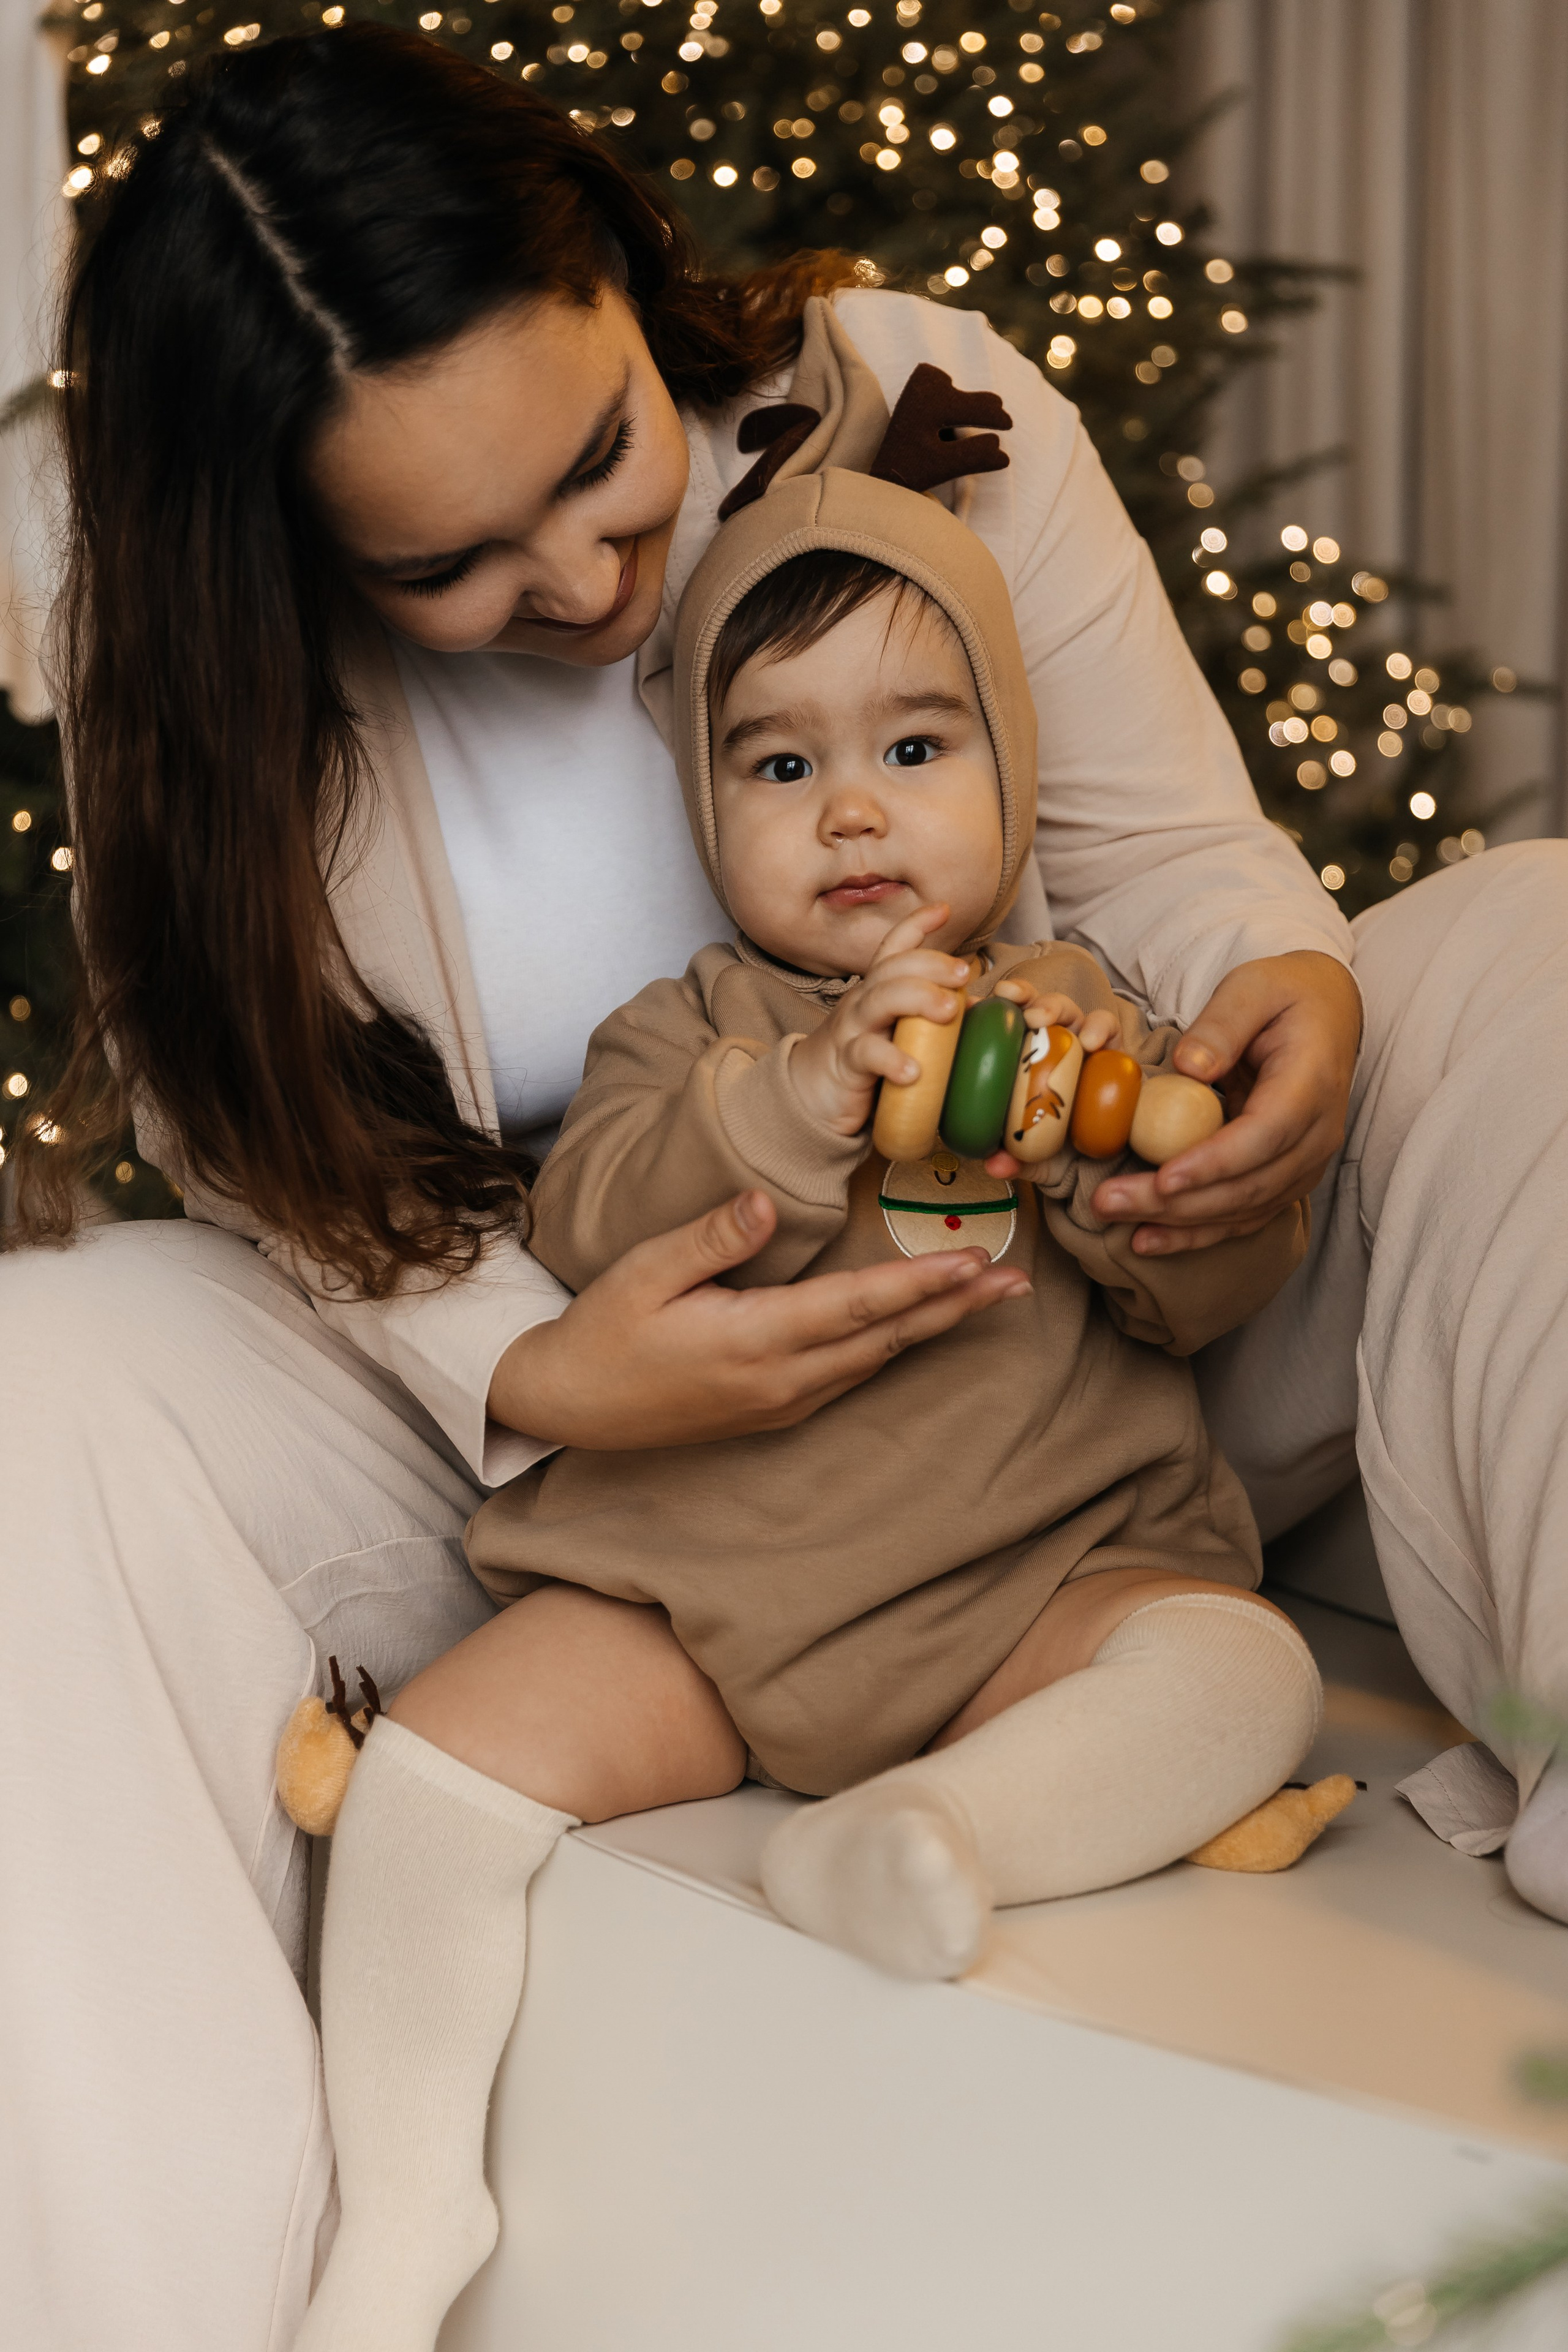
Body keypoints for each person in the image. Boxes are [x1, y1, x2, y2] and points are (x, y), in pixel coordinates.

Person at [0, 21, 1558, 2351]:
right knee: (40, 1368)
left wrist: (1275, 1038)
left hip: (1079, 1348)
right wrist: (547, 1367)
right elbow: (267, 1156)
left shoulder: (914, 403)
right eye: (450, 561)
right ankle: (178, 2297)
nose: (587, 573)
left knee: (1535, 937)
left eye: (607, 458)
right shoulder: (181, 662)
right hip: (592, 1459)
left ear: (633, 272)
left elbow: (1181, 858)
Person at [300, 413, 1329, 2352]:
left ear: (1013, 775)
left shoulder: (1092, 1009)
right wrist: (792, 1099)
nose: (855, 816)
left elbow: (1220, 1283)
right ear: (707, 809)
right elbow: (595, 1215)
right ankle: (404, 2214)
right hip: (712, 1592)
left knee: (1235, 1671)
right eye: (784, 766)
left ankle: (933, 1834)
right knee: (438, 1771)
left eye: (916, 752)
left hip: (1041, 1570)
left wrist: (1122, 1177)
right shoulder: (682, 1025)